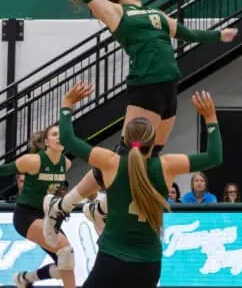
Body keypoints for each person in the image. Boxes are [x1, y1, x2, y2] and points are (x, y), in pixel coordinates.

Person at [46, 0, 237, 244]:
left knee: (146, 159)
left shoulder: (157, 15)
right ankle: (65, 205)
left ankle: (102, 208)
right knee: (125, 156)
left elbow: (187, 32)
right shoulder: (114, 12)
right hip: (145, 87)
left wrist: (219, 34)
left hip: (169, 89)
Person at [53, 82, 222, 288]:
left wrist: (67, 104)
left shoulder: (111, 162)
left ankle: (95, 212)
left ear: (124, 139)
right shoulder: (166, 165)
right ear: (153, 142)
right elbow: (214, 157)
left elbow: (68, 139)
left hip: (112, 257)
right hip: (148, 262)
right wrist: (210, 118)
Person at [0, 122, 76, 288]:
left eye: (61, 134)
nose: (59, 137)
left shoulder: (66, 164)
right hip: (27, 216)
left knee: (65, 265)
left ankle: (26, 278)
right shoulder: (34, 161)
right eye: (54, 134)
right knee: (66, 251)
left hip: (48, 216)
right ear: (46, 142)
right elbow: (6, 169)